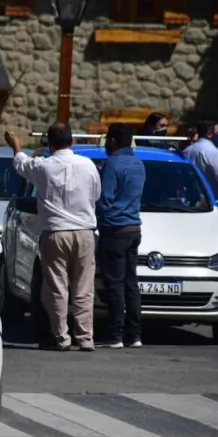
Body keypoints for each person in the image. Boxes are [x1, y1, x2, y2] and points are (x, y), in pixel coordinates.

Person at [5, 123, 101, 351]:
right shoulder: (87, 165)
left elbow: (22, 165)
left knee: (57, 287)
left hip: (55, 232)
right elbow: (96, 195)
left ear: (49, 143)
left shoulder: (44, 167)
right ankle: (86, 337)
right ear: (72, 141)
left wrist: (16, 146)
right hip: (84, 231)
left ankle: (62, 337)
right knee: (84, 288)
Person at [96, 123, 146, 348]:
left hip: (114, 229)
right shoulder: (138, 163)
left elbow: (105, 199)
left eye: (107, 138)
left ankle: (115, 334)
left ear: (113, 140)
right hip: (134, 228)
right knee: (130, 283)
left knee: (114, 284)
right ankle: (134, 334)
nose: (106, 143)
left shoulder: (112, 163)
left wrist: (97, 217)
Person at [184, 120, 218, 200]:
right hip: (209, 200)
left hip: (189, 198)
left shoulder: (187, 150)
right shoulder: (212, 151)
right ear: (209, 134)